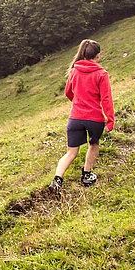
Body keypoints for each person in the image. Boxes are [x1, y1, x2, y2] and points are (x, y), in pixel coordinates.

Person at [49, 39, 116, 191]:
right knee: (93, 145)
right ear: (98, 56)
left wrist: (79, 102)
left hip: (75, 118)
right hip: (95, 119)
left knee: (71, 152)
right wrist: (110, 120)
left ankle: (57, 180)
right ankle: (86, 175)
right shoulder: (101, 74)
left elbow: (68, 92)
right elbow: (106, 99)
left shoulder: (74, 71)